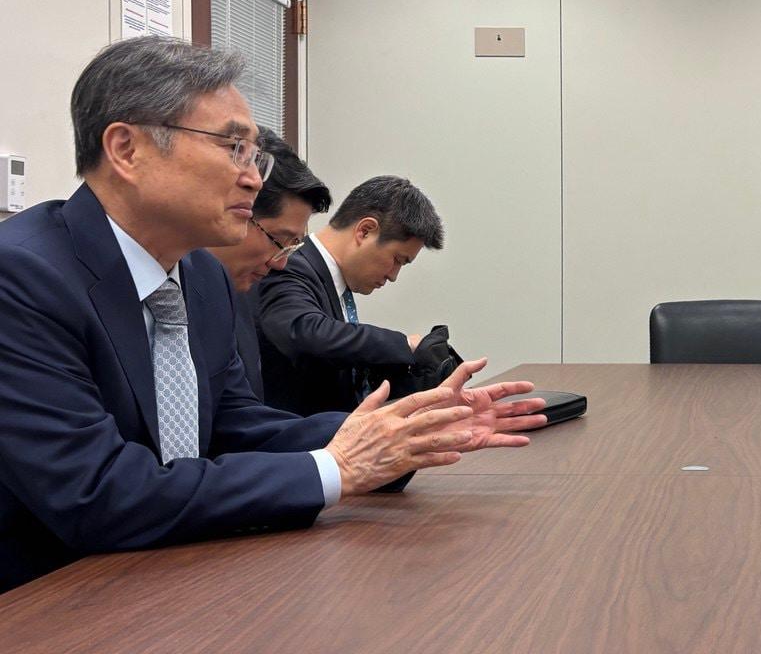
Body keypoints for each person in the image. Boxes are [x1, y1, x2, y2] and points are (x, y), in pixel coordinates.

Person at [0, 37, 547, 593]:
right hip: (51, 598)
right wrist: (334, 469)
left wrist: (403, 433)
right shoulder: (21, 278)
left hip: (177, 577)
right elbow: (98, 493)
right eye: (232, 147)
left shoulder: (202, 276)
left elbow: (236, 427)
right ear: (126, 149)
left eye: (253, 154)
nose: (254, 177)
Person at [256, 175, 457, 415]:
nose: (394, 275)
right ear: (365, 231)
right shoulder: (291, 267)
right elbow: (303, 331)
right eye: (397, 260)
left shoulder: (333, 284)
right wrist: (404, 344)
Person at [206, 128, 332, 399]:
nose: (281, 264)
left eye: (292, 246)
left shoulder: (233, 295)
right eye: (279, 240)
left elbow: (241, 417)